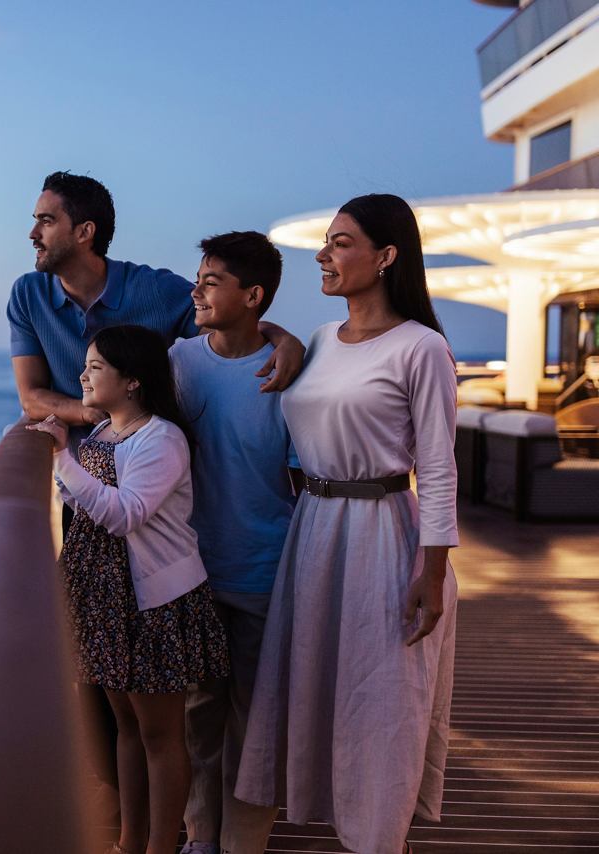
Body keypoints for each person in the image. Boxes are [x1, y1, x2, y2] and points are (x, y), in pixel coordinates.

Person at [234, 194, 459, 854]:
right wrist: (276, 333)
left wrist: (433, 568)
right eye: (325, 242)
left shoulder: (423, 349)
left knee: (383, 700)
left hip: (384, 533)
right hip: (315, 533)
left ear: (385, 257)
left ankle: (379, 840)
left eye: (340, 243)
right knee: (321, 689)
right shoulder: (321, 340)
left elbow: (440, 470)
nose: (322, 255)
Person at [27, 324, 229, 854]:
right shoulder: (104, 433)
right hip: (103, 599)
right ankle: (127, 842)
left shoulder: (160, 438)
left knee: (161, 735)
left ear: (133, 381)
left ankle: (161, 846)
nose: (82, 375)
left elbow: (124, 515)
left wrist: (61, 455)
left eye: (95, 367)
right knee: (126, 728)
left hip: (150, 602)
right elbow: (81, 502)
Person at [7, 171, 306, 451]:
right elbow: (31, 397)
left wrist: (282, 338)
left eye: (46, 221)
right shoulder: (28, 295)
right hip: (80, 483)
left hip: (154, 471)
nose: (33, 233)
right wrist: (91, 413)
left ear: (85, 232)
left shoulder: (156, 289)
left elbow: (229, 325)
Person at [168, 232, 296, 854]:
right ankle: (199, 839)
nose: (197, 290)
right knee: (198, 716)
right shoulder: (179, 362)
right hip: (191, 572)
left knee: (256, 720)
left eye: (212, 281)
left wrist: (283, 338)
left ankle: (243, 843)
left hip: (265, 569)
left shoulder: (287, 372)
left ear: (254, 296)